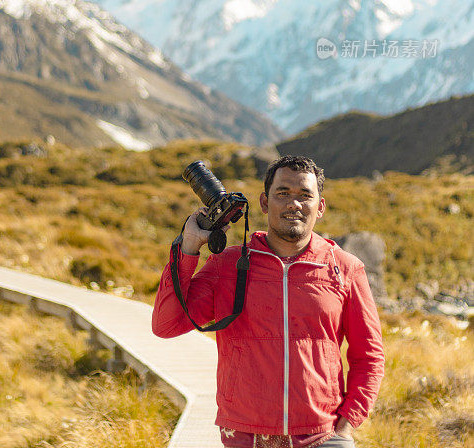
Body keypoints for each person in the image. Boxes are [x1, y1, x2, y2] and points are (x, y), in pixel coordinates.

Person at [152, 155, 385, 447]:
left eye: (305, 195)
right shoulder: (229, 265)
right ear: (264, 202)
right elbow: (166, 325)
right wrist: (187, 249)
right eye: (283, 193)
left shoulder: (345, 268)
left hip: (322, 434)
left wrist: (348, 424)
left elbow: (369, 357)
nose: (294, 204)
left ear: (320, 207)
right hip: (246, 435)